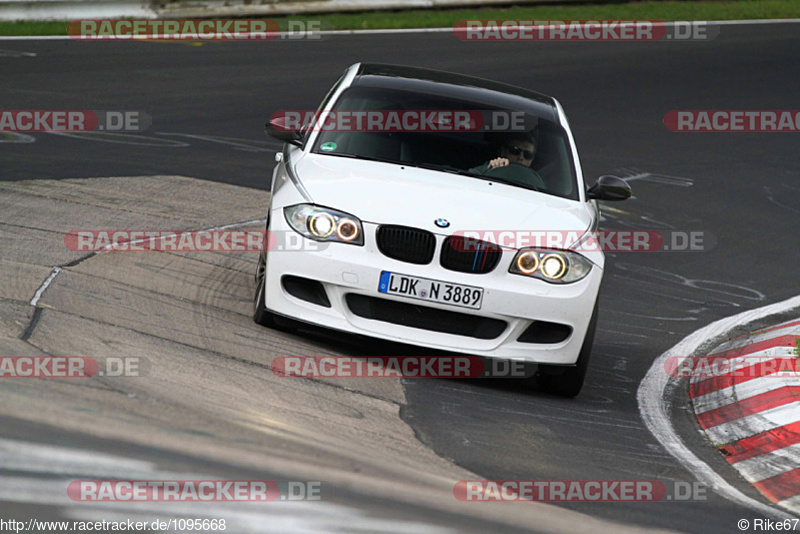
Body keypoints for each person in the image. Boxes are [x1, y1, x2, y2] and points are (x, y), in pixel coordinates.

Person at [469, 133, 537, 174]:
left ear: (532, 159)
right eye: (515, 151)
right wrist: (491, 169)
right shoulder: (490, 168)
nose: (521, 157)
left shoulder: (538, 182)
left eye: (527, 155)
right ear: (504, 151)